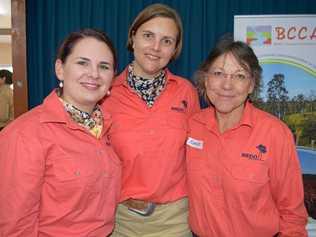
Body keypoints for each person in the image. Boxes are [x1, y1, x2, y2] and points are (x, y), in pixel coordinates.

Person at [0, 29, 121, 237]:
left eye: (104, 66)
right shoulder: (24, 134)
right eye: (82, 63)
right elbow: (15, 226)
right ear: (60, 69)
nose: (94, 73)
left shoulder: (105, 127)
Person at [186, 37, 308, 237]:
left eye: (239, 76)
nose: (227, 85)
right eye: (218, 73)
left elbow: (292, 214)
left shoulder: (275, 133)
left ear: (252, 85)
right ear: (205, 79)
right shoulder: (192, 127)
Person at [102, 3, 200, 237]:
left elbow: (199, 155)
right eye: (148, 36)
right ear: (133, 37)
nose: (156, 48)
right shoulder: (105, 92)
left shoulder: (186, 92)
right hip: (119, 219)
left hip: (175, 220)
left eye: (167, 41)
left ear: (175, 49)